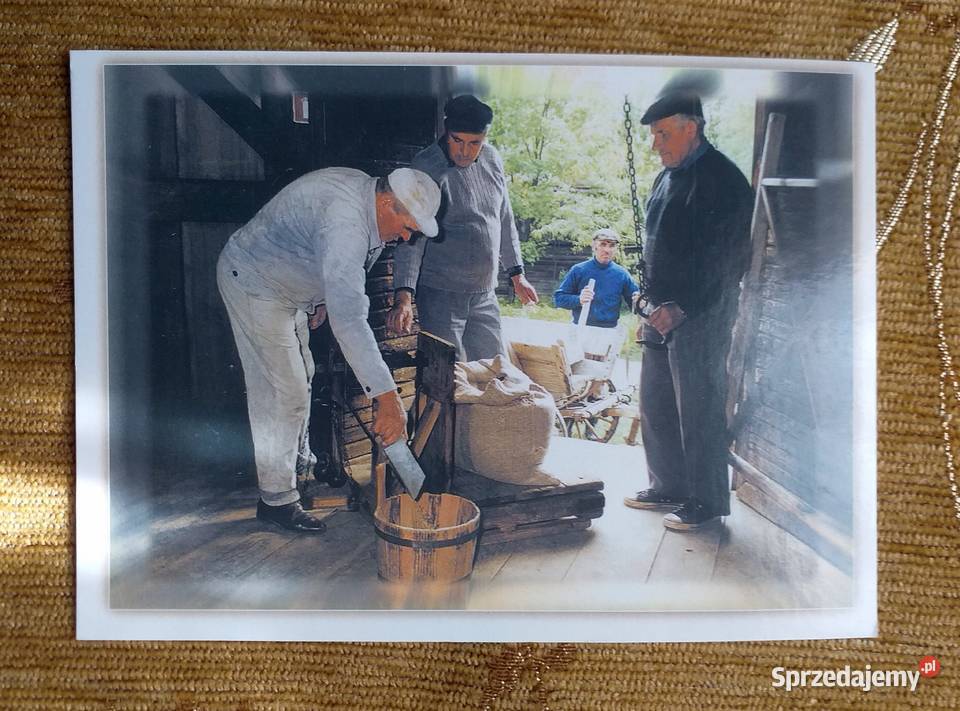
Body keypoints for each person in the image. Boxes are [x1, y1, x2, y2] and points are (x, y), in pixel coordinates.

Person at [217, 167, 441, 533]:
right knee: (282, 391)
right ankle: (276, 500)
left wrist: (320, 297)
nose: (404, 237)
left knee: (301, 377)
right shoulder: (347, 223)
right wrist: (387, 399)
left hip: (286, 284)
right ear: (388, 202)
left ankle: (295, 471)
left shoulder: (367, 197)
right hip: (255, 283)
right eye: (407, 227)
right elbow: (350, 319)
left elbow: (325, 255)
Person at [623, 91, 753, 531]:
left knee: (697, 404)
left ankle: (706, 501)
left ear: (690, 129)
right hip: (661, 310)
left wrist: (684, 308)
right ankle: (670, 486)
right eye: (654, 135)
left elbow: (730, 260)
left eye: (662, 133)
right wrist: (651, 302)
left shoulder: (724, 180)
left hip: (703, 312)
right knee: (656, 401)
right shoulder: (667, 177)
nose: (655, 144)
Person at [386, 94, 539, 362]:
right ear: (446, 132)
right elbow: (411, 239)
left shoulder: (493, 160)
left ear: (485, 139)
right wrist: (404, 296)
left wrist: (517, 274)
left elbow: (503, 217)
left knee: (494, 371)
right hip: (441, 294)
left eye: (474, 143)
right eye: (457, 140)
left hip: (484, 292)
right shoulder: (426, 168)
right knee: (445, 376)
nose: (464, 151)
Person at [553, 228, 640, 328]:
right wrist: (579, 299)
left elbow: (635, 306)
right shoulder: (579, 270)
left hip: (609, 331)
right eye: (603, 244)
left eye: (612, 246)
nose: (607, 250)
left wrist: (639, 303)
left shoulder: (622, 274)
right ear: (594, 246)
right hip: (580, 327)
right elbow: (559, 299)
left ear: (616, 248)